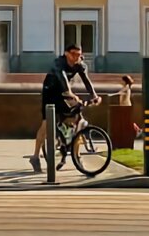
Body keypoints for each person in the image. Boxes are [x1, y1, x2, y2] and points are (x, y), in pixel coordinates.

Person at [29, 44, 100, 173]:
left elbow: (86, 81)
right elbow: (63, 80)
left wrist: (94, 96)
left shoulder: (79, 64)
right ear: (66, 53)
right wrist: (71, 94)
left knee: (78, 121)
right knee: (46, 124)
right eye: (73, 54)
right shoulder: (58, 63)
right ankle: (35, 157)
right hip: (50, 92)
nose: (76, 58)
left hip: (63, 93)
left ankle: (76, 155)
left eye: (79, 55)